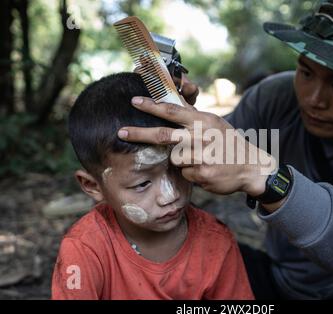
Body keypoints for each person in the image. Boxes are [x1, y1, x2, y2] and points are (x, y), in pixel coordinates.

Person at [117, 0, 333, 299]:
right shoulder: (276, 98)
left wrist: (264, 175)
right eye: (306, 72)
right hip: (279, 281)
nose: (313, 98)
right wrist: (179, 124)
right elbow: (218, 155)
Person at [51, 72, 254, 300]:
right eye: (142, 183)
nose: (170, 195)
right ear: (93, 186)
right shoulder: (85, 250)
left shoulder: (216, 243)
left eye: (178, 168)